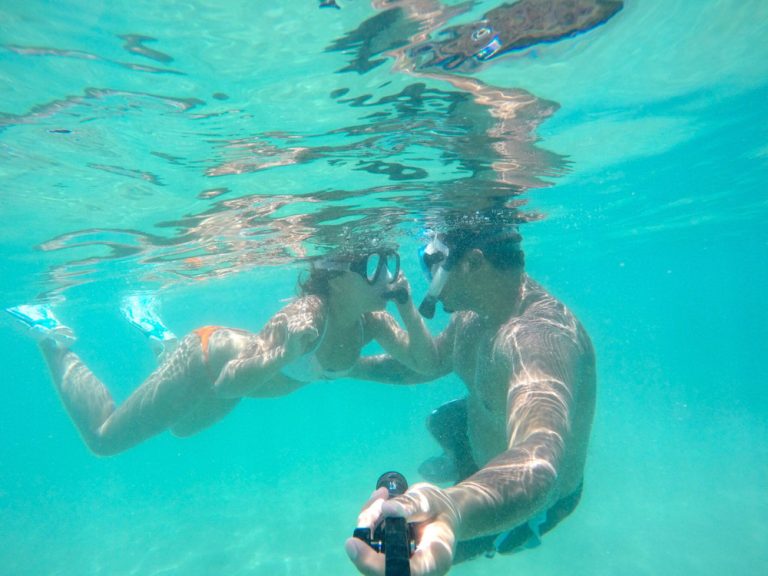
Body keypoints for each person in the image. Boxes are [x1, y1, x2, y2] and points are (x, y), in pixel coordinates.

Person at [6, 248, 438, 456]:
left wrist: (407, 307)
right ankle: (49, 334)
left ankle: (156, 333)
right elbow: (228, 379)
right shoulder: (305, 316)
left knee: (180, 430)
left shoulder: (372, 321)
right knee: (104, 440)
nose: (389, 277)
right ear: (341, 278)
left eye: (391, 264)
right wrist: (284, 353)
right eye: (377, 268)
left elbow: (422, 361)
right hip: (210, 359)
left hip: (231, 387)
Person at [345, 225, 596, 575]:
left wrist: (453, 507)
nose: (427, 276)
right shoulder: (474, 313)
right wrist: (346, 368)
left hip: (535, 501)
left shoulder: (536, 340)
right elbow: (428, 364)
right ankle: (459, 461)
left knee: (409, 549)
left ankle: (506, 534)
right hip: (485, 446)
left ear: (473, 264)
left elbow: (540, 464)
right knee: (443, 420)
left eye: (431, 263)